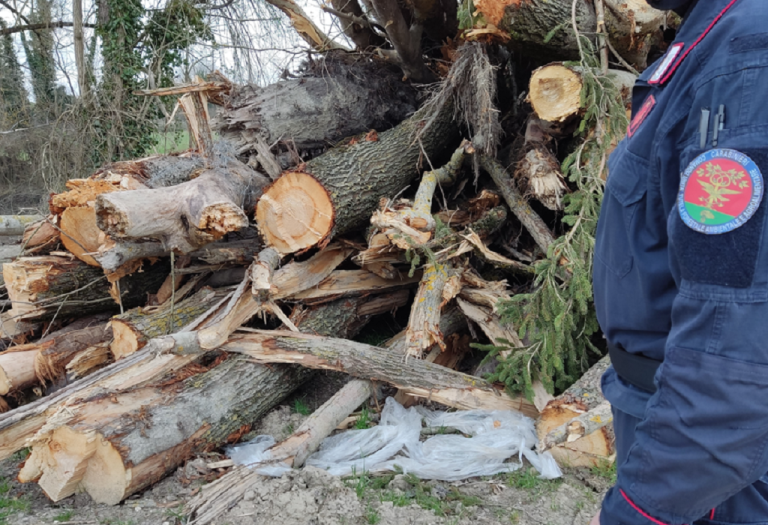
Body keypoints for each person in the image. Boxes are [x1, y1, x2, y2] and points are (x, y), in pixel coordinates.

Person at [591, 0, 768, 523]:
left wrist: (641, 511)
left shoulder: (748, 57)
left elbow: (734, 359)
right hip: (687, 448)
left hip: (719, 483)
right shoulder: (715, 36)